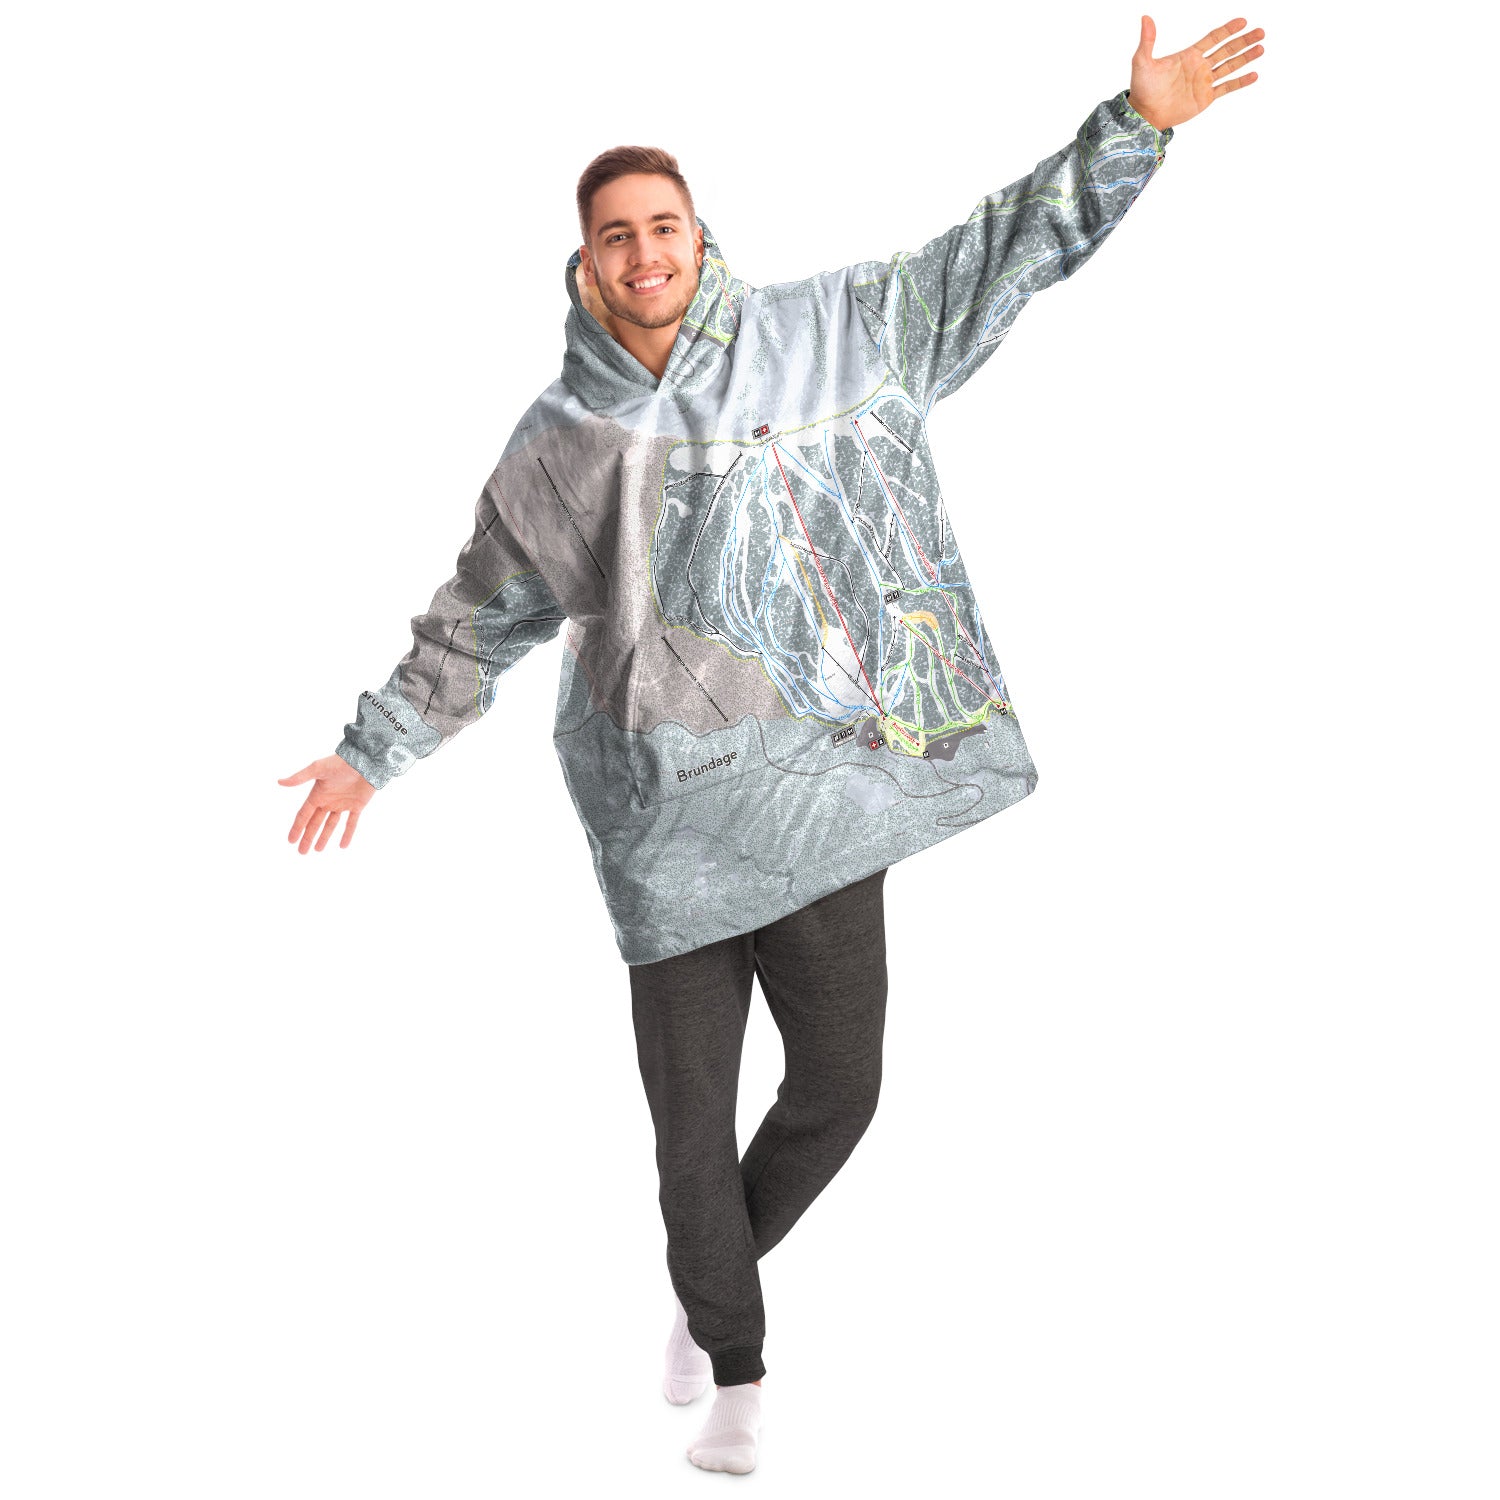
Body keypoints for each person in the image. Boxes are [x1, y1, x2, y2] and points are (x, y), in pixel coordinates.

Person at [280, 15, 1264, 1473]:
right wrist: (369, 751)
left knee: (842, 1089)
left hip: (822, 805)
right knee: (689, 1130)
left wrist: (1135, 127)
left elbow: (1000, 250)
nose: (644, 252)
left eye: (663, 225)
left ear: (699, 234)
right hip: (664, 830)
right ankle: (735, 1363)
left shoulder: (833, 332)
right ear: (584, 261)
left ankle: (704, 1285)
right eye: (616, 234)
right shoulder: (557, 442)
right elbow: (477, 618)